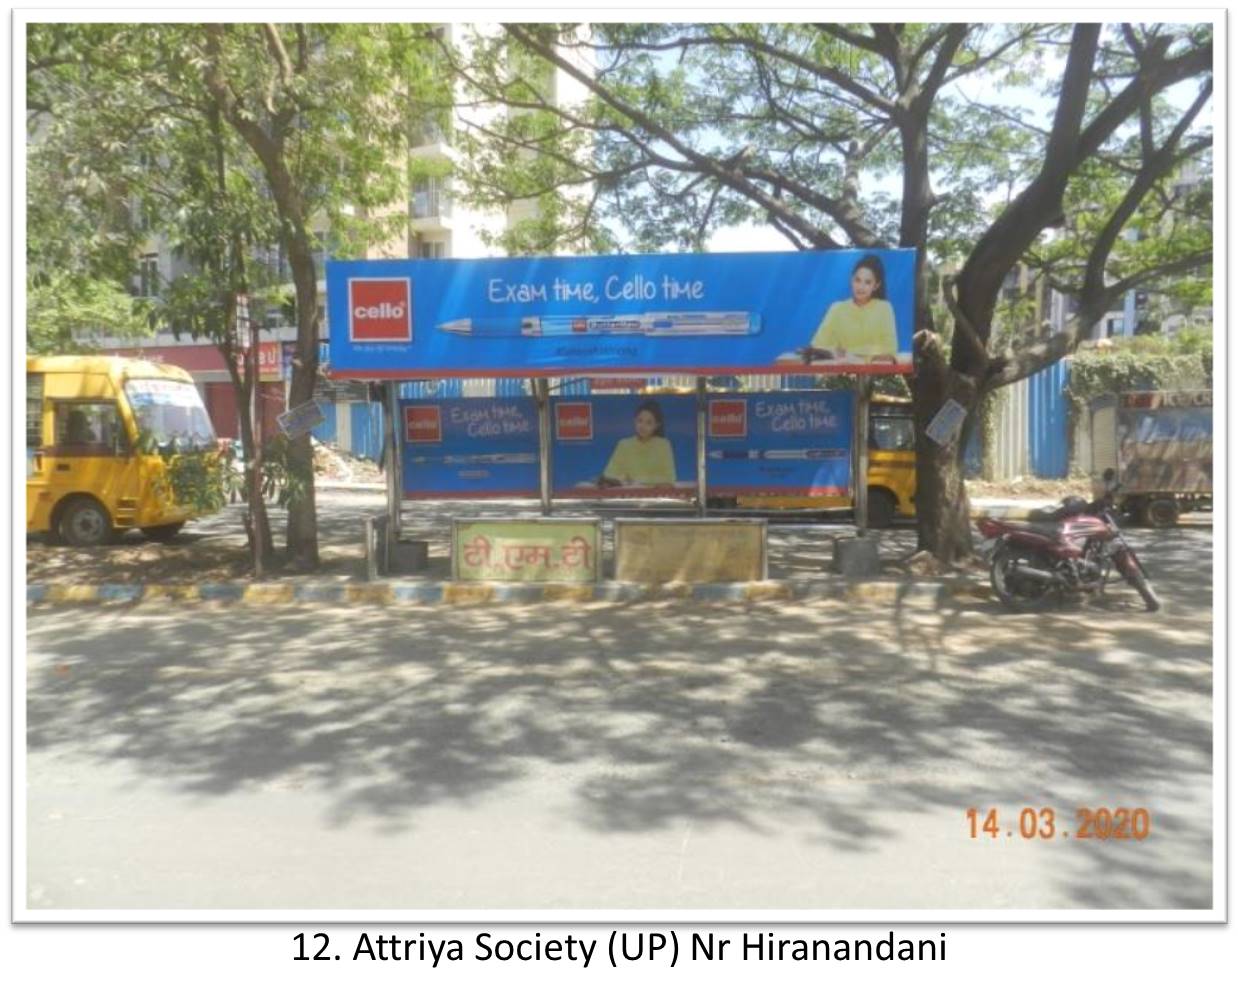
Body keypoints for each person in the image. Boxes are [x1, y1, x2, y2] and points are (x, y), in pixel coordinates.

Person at [807, 254, 898, 363]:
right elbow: (817, 345)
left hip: (872, 373)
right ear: (851, 280)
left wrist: (849, 353)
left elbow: (889, 349)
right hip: (839, 371)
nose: (861, 287)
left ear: (876, 285)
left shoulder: (884, 308)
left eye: (867, 282)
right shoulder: (837, 308)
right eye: (857, 280)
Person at [599, 399, 676, 486]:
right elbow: (609, 474)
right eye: (640, 421)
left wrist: (636, 480)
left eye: (649, 423)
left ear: (657, 425)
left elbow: (670, 479)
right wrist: (621, 480)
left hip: (655, 497)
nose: (642, 426)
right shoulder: (624, 445)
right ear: (634, 421)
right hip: (628, 496)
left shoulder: (664, 445)